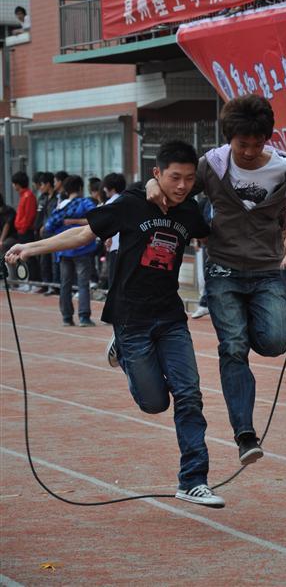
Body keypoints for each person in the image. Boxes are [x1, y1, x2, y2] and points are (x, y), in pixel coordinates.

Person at [5, 141, 225, 509]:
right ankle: (121, 350)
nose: (183, 185)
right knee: (154, 403)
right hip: (130, 319)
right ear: (157, 173)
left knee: (189, 395)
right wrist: (31, 248)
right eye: (175, 177)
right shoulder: (131, 202)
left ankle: (193, 480)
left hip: (171, 318)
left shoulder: (189, 210)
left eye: (189, 179)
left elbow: (216, 227)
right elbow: (83, 234)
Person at [146, 95, 286, 465]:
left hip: (266, 271)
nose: (249, 151)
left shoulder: (283, 168)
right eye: (242, 144)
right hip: (223, 270)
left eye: (257, 144)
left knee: (275, 341)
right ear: (229, 138)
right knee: (233, 348)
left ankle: (249, 331)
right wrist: (151, 186)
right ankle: (245, 434)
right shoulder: (212, 166)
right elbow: (178, 185)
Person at [44, 175, 97, 327]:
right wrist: (77, 222)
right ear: (80, 188)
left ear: (66, 190)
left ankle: (67, 317)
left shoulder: (61, 206)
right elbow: (97, 218)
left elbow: (48, 227)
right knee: (83, 283)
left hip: (63, 249)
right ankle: (84, 317)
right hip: (82, 248)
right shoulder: (85, 203)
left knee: (65, 284)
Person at [11, 171, 38, 285]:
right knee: (25, 257)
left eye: (14, 183)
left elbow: (29, 216)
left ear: (18, 184)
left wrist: (22, 229)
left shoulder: (28, 195)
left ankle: (34, 282)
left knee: (30, 257)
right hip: (22, 231)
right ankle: (29, 282)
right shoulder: (24, 195)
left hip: (26, 231)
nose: (13, 186)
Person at [103, 172, 126, 288]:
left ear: (111, 188)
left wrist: (108, 238)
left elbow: (108, 225)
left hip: (115, 246)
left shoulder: (110, 203)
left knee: (113, 279)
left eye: (105, 186)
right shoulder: (126, 201)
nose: (104, 189)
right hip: (125, 246)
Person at [37, 172, 59, 295]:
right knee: (44, 260)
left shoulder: (58, 198)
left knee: (54, 261)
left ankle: (55, 286)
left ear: (48, 184)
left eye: (42, 184)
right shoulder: (44, 198)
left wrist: (46, 226)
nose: (40, 187)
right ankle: (46, 284)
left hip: (54, 233)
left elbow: (56, 216)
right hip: (45, 233)